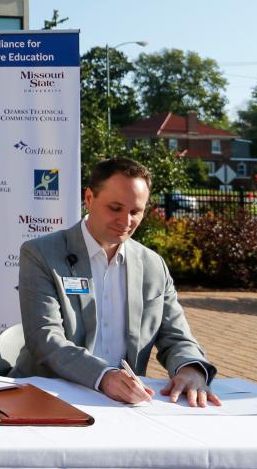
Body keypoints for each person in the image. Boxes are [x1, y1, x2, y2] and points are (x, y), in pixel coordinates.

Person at [14, 156, 221, 407]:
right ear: (89, 198)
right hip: (49, 398)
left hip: (124, 405)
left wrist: (191, 369)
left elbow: (177, 337)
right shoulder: (42, 253)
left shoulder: (153, 265)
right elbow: (45, 338)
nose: (126, 222)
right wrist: (104, 377)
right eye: (115, 208)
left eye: (135, 212)